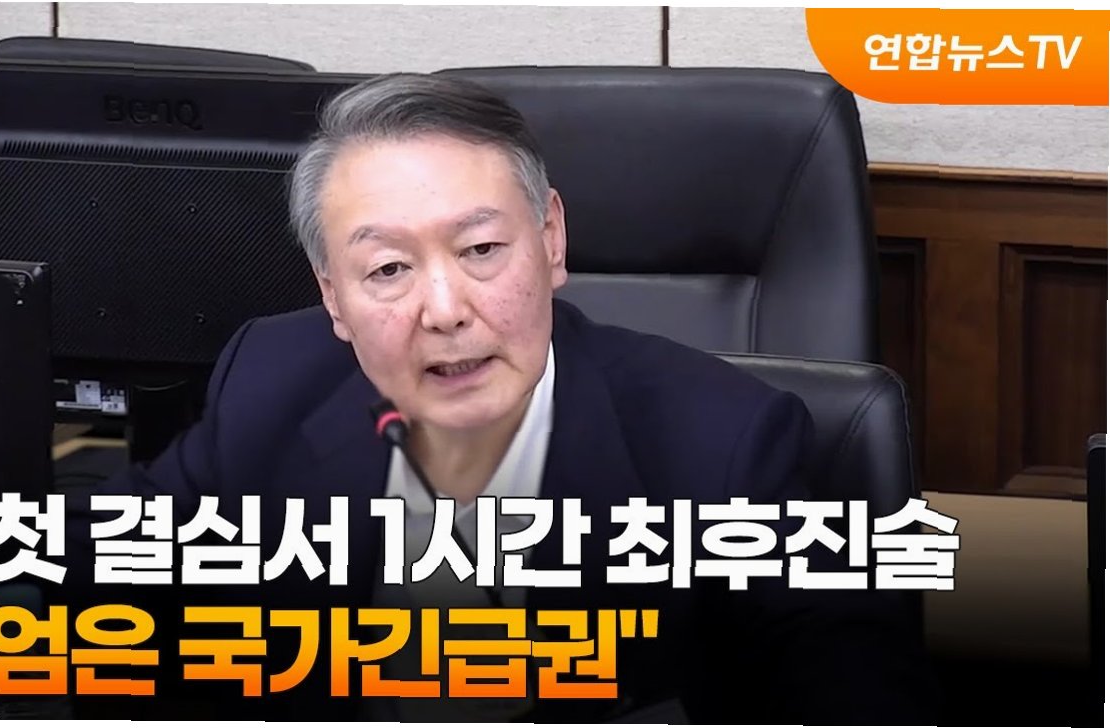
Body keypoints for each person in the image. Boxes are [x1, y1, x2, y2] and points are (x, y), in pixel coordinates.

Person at [60, 72, 936, 723]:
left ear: (550, 240)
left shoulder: (723, 445)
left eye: (481, 250)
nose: (445, 311)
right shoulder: (272, 381)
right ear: (333, 298)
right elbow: (97, 574)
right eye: (388, 269)